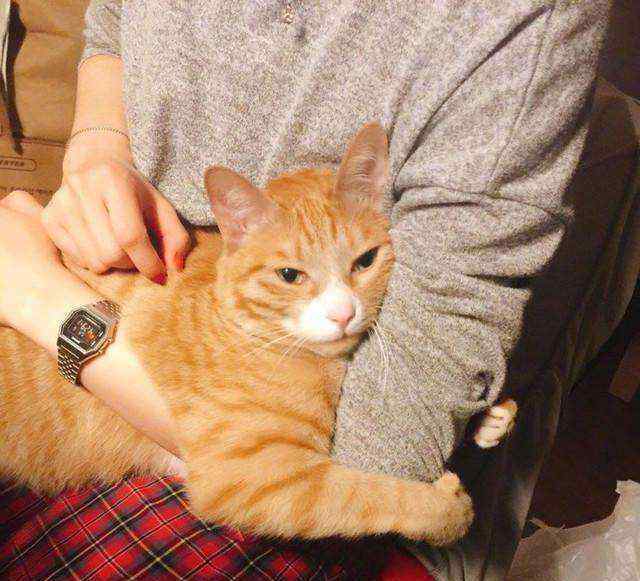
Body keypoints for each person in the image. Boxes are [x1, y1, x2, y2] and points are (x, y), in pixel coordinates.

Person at [0, 1, 611, 578]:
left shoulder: (523, 26)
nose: (343, 308)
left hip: (71, 324)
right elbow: (113, 16)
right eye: (296, 276)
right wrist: (98, 147)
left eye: (364, 263)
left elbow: (366, 455)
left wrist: (40, 300)